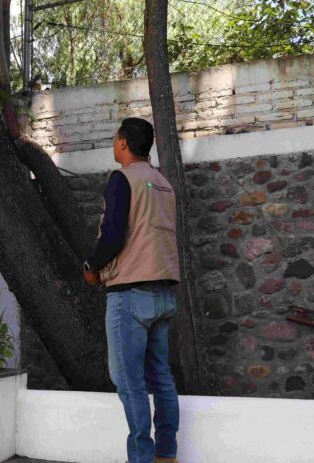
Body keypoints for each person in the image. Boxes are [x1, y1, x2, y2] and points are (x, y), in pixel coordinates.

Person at [82, 117, 181, 463]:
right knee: (161, 376)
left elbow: (113, 235)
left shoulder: (122, 179)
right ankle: (167, 454)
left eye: (114, 140)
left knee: (129, 380)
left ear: (123, 143)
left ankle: (141, 457)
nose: (113, 145)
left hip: (130, 296)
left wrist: (91, 268)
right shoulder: (163, 183)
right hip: (164, 294)